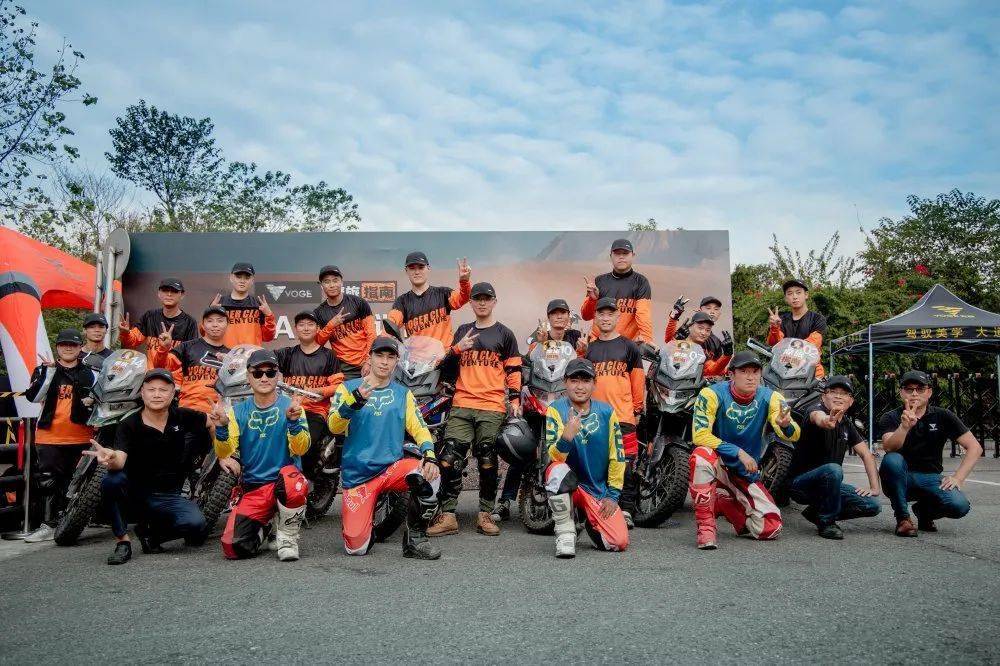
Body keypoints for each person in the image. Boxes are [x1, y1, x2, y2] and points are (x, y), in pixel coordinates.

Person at [328, 336, 443, 559]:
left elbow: (419, 427)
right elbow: (334, 426)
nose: (384, 361)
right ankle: (367, 525)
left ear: (396, 361)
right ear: (369, 358)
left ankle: (415, 540)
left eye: (390, 357)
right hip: (358, 477)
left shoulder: (403, 394)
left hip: (391, 470)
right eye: (379, 355)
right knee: (356, 548)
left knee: (430, 474)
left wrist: (429, 455)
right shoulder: (348, 388)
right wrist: (354, 401)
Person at [428, 282, 521, 537]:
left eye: (486, 298)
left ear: (494, 302)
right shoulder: (462, 331)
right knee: (448, 458)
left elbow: (514, 370)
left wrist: (514, 399)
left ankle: (485, 514)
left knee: (488, 460)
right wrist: (458, 348)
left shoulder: (505, 334)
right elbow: (444, 364)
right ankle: (448, 515)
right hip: (462, 404)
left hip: (491, 406)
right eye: (477, 298)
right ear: (470, 302)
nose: (482, 302)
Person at [93, 369, 211, 565]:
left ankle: (151, 535)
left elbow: (211, 422)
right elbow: (119, 460)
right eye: (151, 390)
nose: (157, 394)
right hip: (135, 494)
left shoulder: (182, 416)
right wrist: (111, 457)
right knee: (112, 480)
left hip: (167, 496)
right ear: (142, 393)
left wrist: (223, 454)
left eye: (163, 390)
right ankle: (123, 542)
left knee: (197, 525)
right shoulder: (129, 424)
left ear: (172, 394)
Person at [688, 351, 800, 550]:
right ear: (731, 374)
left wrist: (785, 425)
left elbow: (794, 435)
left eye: (755, 372)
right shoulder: (710, 394)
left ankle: (723, 504)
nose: (751, 377)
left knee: (770, 528)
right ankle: (706, 527)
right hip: (718, 463)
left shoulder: (772, 397)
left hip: (744, 471)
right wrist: (738, 452)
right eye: (744, 371)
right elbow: (700, 435)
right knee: (701, 456)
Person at [210, 349, 310, 561]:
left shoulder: (292, 407)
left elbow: (301, 449)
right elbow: (225, 452)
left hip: (284, 484)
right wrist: (221, 428)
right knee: (234, 547)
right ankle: (266, 527)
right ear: (248, 376)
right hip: (255, 488)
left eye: (270, 372)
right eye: (257, 373)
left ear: (278, 376)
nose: (264, 378)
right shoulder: (237, 412)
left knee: (293, 483)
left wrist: (293, 423)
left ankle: (288, 537)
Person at [493, 298, 586, 522]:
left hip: (563, 400)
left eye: (563, 313)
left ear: (568, 317)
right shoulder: (539, 335)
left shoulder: (576, 337)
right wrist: (538, 344)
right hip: (539, 398)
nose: (559, 317)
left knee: (574, 448)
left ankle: (579, 500)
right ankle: (505, 501)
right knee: (525, 449)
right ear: (549, 317)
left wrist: (583, 352)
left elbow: (581, 365)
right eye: (555, 313)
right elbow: (527, 361)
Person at [876, 370, 982, 537]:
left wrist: (958, 478)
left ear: (929, 392)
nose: (914, 393)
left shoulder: (942, 415)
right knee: (892, 459)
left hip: (931, 477)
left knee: (960, 506)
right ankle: (903, 518)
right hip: (900, 478)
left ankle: (924, 512)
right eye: (909, 389)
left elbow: (975, 447)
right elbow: (889, 447)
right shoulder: (891, 417)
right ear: (901, 392)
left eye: (920, 389)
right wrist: (904, 427)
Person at [544, 358, 628, 558]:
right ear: (565, 382)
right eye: (574, 380)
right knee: (555, 470)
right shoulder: (555, 409)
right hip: (568, 485)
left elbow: (618, 456)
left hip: (596, 490)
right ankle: (565, 532)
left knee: (617, 542)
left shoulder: (607, 412)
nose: (580, 386)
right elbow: (554, 457)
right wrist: (567, 437)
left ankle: (588, 519)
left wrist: (613, 495)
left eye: (585, 380)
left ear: (594, 383)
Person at [22, 329, 96, 542]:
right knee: (48, 483)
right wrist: (49, 372)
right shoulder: (43, 369)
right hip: (49, 436)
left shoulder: (91, 372)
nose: (68, 348)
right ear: (57, 347)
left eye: (73, 345)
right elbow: (33, 397)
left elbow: (98, 401)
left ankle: (71, 524)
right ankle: (48, 525)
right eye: (64, 344)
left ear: (80, 348)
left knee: (76, 483)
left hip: (82, 436)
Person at [786, 375, 881, 540]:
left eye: (844, 393)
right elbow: (817, 417)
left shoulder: (846, 424)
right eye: (833, 392)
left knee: (872, 505)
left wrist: (874, 488)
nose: (838, 396)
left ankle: (816, 512)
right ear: (824, 396)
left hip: (828, 484)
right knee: (834, 469)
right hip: (801, 485)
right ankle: (827, 522)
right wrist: (826, 421)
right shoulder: (815, 409)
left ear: (851, 401)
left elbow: (866, 454)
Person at [585, 297, 645, 528]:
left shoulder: (629, 347)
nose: (605, 318)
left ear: (618, 317)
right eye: (601, 314)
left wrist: (637, 409)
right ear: (595, 317)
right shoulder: (589, 349)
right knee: (599, 463)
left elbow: (637, 380)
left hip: (623, 416)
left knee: (625, 464)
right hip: (595, 417)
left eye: (610, 314)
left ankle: (627, 509)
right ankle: (599, 506)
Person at [274, 311, 344, 482]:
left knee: (306, 445)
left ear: (317, 328)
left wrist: (322, 391)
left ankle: (309, 480)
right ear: (295, 329)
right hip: (288, 409)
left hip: (315, 411)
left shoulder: (329, 355)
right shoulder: (286, 354)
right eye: (302, 325)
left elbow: (339, 385)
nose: (306, 328)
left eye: (310, 324)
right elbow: (260, 358)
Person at [151, 306, 231, 414]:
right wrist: (163, 349)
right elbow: (161, 366)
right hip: (189, 410)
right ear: (202, 325)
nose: (215, 324)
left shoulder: (232, 355)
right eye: (210, 321)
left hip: (220, 413)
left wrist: (229, 362)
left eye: (220, 321)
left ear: (227, 324)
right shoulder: (187, 347)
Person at [387, 252, 471, 347]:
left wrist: (464, 281)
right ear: (406, 271)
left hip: (445, 354)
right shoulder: (402, 302)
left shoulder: (443, 293)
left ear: (428, 268)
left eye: (421, 267)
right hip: (417, 356)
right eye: (412, 268)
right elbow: (391, 324)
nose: (417, 272)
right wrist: (383, 340)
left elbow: (463, 298)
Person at [581, 238, 653, 343]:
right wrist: (593, 300)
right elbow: (586, 316)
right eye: (617, 253)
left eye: (625, 253)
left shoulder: (641, 282)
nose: (621, 257)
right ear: (611, 256)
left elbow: (643, 315)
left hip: (626, 346)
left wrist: (647, 340)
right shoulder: (599, 281)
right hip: (598, 344)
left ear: (633, 255)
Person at [313, 265, 376, 380]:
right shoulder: (319, 313)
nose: (332, 285)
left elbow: (371, 334)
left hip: (367, 362)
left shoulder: (359, 303)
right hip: (344, 367)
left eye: (335, 280)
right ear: (321, 285)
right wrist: (331, 325)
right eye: (327, 282)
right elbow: (317, 343)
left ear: (341, 282)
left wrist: (369, 361)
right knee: (345, 392)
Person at [119, 277, 198, 362]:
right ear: (159, 293)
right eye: (165, 290)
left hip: (175, 370)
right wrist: (125, 333)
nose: (169, 294)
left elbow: (191, 355)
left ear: (182, 295)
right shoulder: (150, 316)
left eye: (174, 291)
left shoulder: (190, 322)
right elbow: (132, 341)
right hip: (152, 370)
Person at [767, 279, 827, 378]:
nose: (794, 296)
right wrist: (774, 328)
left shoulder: (817, 319)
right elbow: (774, 344)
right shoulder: (781, 320)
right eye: (790, 293)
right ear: (786, 298)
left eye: (798, 292)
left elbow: (813, 342)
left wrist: (791, 352)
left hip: (812, 374)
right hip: (783, 372)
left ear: (806, 295)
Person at [213, 262, 277, 348]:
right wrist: (211, 312)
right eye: (238, 277)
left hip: (252, 355)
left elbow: (268, 337)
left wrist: (269, 315)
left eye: (247, 278)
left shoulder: (258, 305)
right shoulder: (219, 303)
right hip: (225, 355)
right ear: (231, 278)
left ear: (252, 280)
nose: (242, 281)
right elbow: (206, 334)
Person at [665, 295, 732, 358]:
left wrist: (727, 355)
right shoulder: (686, 331)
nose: (712, 312)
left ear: (719, 313)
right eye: (708, 308)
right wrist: (673, 318)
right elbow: (668, 345)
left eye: (716, 309)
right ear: (699, 310)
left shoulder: (716, 342)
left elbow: (715, 365)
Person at [682, 312, 733, 379]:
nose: (703, 333)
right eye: (700, 328)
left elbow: (711, 370)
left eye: (708, 330)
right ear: (690, 327)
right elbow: (670, 355)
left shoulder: (703, 351)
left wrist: (727, 355)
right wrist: (677, 339)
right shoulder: (680, 339)